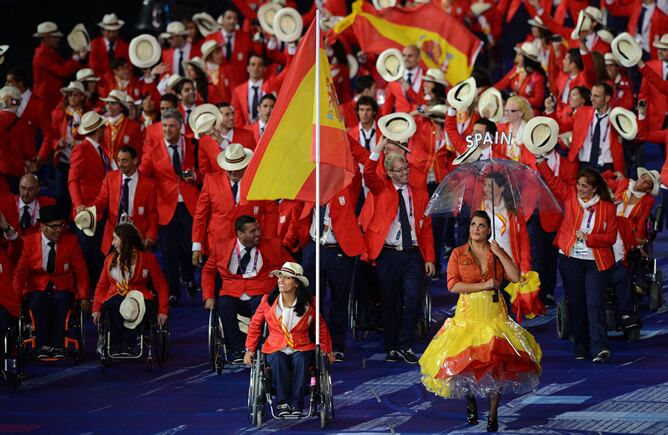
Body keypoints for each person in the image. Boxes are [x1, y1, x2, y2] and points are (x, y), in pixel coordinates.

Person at [419, 211, 542, 433]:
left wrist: (500, 254)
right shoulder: (458, 253)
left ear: (488, 230)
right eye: (473, 224)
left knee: (496, 365)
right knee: (468, 362)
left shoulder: (496, 252)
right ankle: (471, 400)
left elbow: (515, 277)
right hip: (468, 314)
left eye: (481, 225)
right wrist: (484, 285)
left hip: (494, 313)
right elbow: (453, 285)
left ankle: (493, 414)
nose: (476, 228)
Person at [363, 139, 435, 364]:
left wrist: (430, 257)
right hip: (388, 254)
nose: (405, 172)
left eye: (406, 168)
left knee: (413, 299)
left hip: (413, 253)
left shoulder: (419, 193)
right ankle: (391, 346)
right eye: (400, 170)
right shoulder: (380, 189)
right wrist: (377, 150)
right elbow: (368, 174)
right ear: (389, 173)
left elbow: (427, 227)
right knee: (390, 302)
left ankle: (405, 344)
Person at [537, 162, 617, 363]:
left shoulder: (607, 208)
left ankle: (600, 347)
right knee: (577, 305)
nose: (580, 189)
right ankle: (581, 346)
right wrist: (540, 162)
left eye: (585, 186)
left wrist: (590, 238)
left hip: (595, 262)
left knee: (595, 304)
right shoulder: (570, 197)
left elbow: (611, 237)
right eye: (579, 185)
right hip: (570, 260)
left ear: (595, 188)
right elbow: (554, 182)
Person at [244, 262, 335, 417]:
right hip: (275, 347)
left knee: (301, 359)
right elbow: (255, 325)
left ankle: (296, 403)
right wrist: (249, 349)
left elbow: (321, 328)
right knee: (277, 359)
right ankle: (282, 402)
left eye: (287, 278)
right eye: (280, 277)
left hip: (302, 347)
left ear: (297, 283)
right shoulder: (268, 301)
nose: (281, 281)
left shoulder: (310, 304)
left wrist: (327, 351)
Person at [202, 215, 288, 363]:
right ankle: (236, 350)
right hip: (232, 292)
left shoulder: (273, 245)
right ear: (240, 234)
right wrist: (208, 296)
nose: (257, 234)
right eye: (252, 231)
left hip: (260, 292)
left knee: (263, 303)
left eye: (258, 229)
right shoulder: (221, 247)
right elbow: (208, 271)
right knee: (223, 304)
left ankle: (259, 347)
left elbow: (290, 268)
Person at [13, 205, 91, 360]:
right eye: (54, 226)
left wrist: (84, 296)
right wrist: (14, 299)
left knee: (62, 300)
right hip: (37, 287)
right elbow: (20, 273)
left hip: (63, 287)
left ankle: (57, 346)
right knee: (39, 300)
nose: (59, 230)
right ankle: (42, 346)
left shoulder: (71, 241)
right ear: (42, 226)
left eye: (61, 225)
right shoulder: (28, 242)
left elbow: (81, 271)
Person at [139, 109, 199, 304]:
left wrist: (195, 176)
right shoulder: (153, 149)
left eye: (171, 126)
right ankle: (173, 291)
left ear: (180, 126)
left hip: (190, 203)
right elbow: (143, 175)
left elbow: (202, 167)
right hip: (165, 206)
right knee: (169, 251)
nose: (167, 129)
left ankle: (189, 277)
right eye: (164, 126)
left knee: (191, 246)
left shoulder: (192, 144)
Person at [92, 223, 168, 356]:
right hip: (115, 295)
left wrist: (162, 311)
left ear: (125, 240)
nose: (113, 243)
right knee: (115, 304)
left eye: (115, 239)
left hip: (140, 297)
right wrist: (96, 309)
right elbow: (101, 286)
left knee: (132, 304)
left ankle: (129, 343)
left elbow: (161, 287)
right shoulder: (110, 260)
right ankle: (115, 345)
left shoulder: (148, 259)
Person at [82, 146, 158, 255]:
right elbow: (101, 201)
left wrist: (151, 235)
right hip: (113, 237)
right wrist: (88, 210)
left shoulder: (149, 184)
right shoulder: (110, 178)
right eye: (118, 160)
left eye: (124, 161)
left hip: (136, 237)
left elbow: (152, 214)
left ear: (135, 161)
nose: (120, 164)